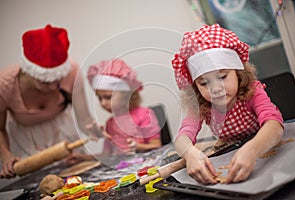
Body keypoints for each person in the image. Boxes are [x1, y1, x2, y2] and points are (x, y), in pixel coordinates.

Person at [171, 24, 284, 184]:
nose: (215, 88)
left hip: (263, 144)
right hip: (230, 150)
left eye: (222, 77)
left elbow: (274, 124)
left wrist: (252, 149)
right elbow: (182, 137)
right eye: (204, 83)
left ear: (238, 72)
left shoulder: (252, 91)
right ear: (195, 86)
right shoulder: (201, 104)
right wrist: (190, 153)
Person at [0, 25, 102, 178]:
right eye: (46, 82)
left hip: (65, 135)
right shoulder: (4, 85)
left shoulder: (71, 71)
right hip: (26, 143)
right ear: (29, 72)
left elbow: (84, 120)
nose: (55, 86)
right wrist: (6, 155)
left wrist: (93, 129)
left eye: (58, 80)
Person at [87, 59, 162, 155]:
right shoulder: (110, 124)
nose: (103, 103)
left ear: (126, 95)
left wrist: (138, 147)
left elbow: (157, 145)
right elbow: (106, 155)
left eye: (107, 97)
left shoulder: (144, 115)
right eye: (99, 98)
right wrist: (81, 158)